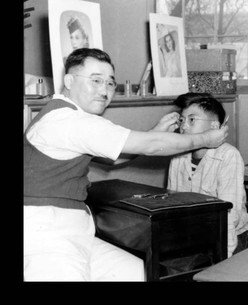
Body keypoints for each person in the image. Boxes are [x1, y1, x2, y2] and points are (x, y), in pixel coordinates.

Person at [24, 48, 228, 281]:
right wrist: (206, 139)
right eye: (96, 81)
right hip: (47, 235)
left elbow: (115, 157)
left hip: (73, 229)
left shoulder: (68, 116)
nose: (104, 90)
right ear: (69, 81)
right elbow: (150, 146)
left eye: (110, 83)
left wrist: (153, 133)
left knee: (137, 273)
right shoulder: (69, 121)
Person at [167, 93, 248, 257]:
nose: (183, 127)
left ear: (214, 126)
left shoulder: (228, 156)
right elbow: (171, 205)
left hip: (228, 235)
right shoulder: (177, 156)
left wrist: (224, 259)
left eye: (192, 120)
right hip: (192, 234)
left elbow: (230, 216)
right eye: (182, 120)